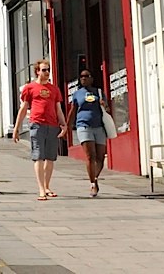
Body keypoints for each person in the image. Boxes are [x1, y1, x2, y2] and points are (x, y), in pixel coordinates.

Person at [12, 58, 64, 200]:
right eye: (44, 70)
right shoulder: (30, 88)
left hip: (52, 125)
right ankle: (41, 189)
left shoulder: (54, 89)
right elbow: (24, 108)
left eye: (48, 70)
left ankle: (47, 186)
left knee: (50, 157)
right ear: (37, 72)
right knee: (38, 156)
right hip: (37, 124)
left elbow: (58, 109)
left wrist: (63, 124)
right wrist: (16, 128)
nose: (47, 72)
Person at [66, 68, 109, 198]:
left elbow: (107, 109)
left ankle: (95, 177)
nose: (83, 78)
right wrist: (67, 127)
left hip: (99, 127)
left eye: (86, 76)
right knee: (91, 156)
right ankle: (93, 184)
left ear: (91, 78)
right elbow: (73, 111)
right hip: (83, 126)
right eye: (81, 76)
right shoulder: (77, 94)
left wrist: (103, 105)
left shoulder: (99, 92)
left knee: (100, 158)